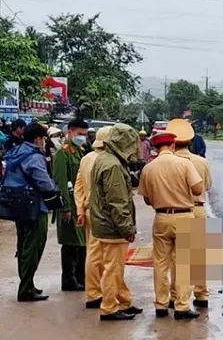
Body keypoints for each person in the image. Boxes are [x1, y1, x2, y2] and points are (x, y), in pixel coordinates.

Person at [138, 131, 204, 320]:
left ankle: (161, 304)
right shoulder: (184, 164)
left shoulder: (148, 169)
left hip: (161, 218)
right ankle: (182, 306)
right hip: (184, 216)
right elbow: (198, 189)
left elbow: (147, 199)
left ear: (156, 148)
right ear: (173, 146)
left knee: (160, 263)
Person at [3, 123, 63, 301]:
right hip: (34, 206)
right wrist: (55, 188)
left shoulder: (17, 151)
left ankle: (27, 284)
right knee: (34, 245)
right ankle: (26, 288)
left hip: (16, 205)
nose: (44, 142)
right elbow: (43, 182)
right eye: (44, 139)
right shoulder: (34, 156)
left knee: (23, 244)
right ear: (38, 139)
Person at [90, 123, 143, 321]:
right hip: (112, 227)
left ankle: (123, 301)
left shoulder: (104, 159)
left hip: (103, 223)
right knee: (113, 270)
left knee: (114, 267)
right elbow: (118, 202)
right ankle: (110, 307)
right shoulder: (113, 165)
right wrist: (127, 228)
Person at [166, 118, 212, 309]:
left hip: (175, 211)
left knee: (176, 257)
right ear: (191, 140)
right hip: (198, 209)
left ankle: (176, 295)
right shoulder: (201, 162)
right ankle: (201, 294)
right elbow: (206, 187)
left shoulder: (166, 163)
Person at [74, 126, 112, 309]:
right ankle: (102, 294)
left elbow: (79, 186)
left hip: (89, 210)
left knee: (93, 252)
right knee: (110, 256)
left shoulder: (86, 159)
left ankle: (93, 292)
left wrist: (80, 210)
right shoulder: (109, 161)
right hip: (104, 212)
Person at [53, 118, 89, 292]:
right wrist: (64, 207)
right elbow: (60, 182)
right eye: (80, 134)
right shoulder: (63, 153)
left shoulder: (79, 152)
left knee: (81, 243)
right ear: (70, 131)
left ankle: (81, 277)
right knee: (70, 244)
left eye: (84, 134)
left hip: (79, 204)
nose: (83, 137)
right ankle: (69, 279)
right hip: (69, 205)